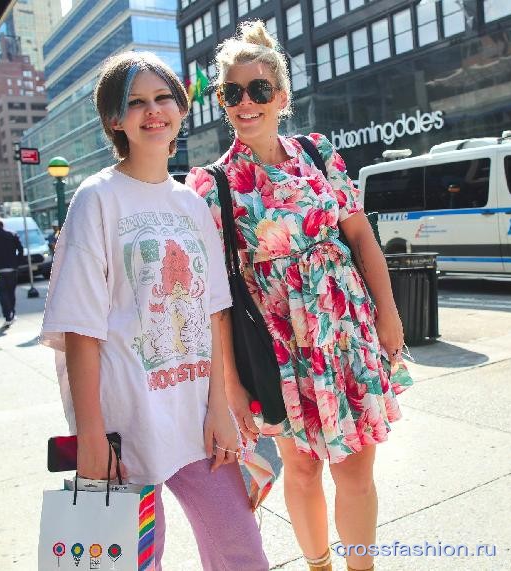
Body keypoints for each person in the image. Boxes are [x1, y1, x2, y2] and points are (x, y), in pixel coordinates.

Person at [187, 21, 413, 571]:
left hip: (346, 328)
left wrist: (388, 314)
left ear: (281, 97)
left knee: (356, 470)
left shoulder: (318, 154)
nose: (247, 102)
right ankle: (319, 565)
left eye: (259, 90)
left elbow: (361, 237)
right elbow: (218, 296)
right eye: (233, 92)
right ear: (222, 101)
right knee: (303, 468)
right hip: (280, 347)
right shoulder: (212, 185)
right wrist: (233, 383)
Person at [40, 51, 268, 571]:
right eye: (135, 102)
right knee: (136, 562)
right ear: (114, 120)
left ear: (182, 108)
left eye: (163, 97)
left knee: (241, 549)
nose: (153, 110)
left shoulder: (191, 203)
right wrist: (90, 436)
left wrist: (220, 410)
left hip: (196, 425)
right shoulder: (96, 199)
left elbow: (214, 315)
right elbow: (79, 328)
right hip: (125, 430)